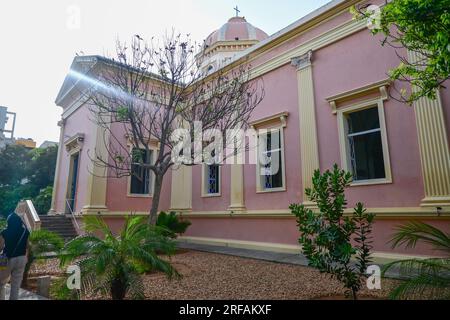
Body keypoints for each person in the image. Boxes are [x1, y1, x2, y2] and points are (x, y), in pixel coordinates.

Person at [0, 213, 30, 300]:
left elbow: (1, 247)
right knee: (16, 286)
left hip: (6, 259)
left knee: (1, 283)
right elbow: (27, 246)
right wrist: (26, 257)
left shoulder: (5, 232)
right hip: (22, 259)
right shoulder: (25, 232)